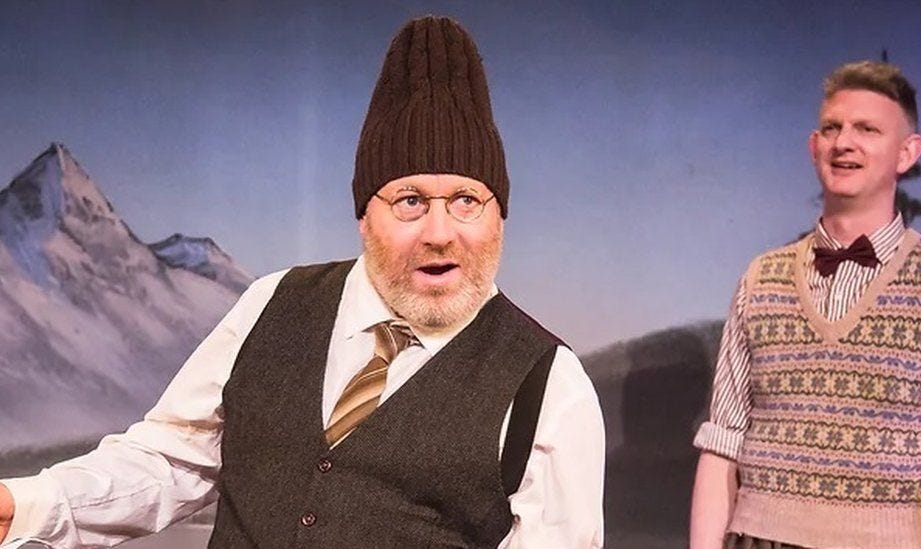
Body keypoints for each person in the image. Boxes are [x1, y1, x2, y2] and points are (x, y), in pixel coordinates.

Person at [0, 15, 605, 548]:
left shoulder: (550, 386)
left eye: (467, 200)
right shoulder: (273, 303)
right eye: (411, 200)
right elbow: (171, 461)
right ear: (364, 214)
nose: (440, 232)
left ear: (500, 215)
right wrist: (27, 505)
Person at [689, 60, 921, 549]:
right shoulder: (762, 279)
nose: (844, 141)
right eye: (832, 128)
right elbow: (722, 450)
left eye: (867, 129)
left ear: (908, 153)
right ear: (813, 146)